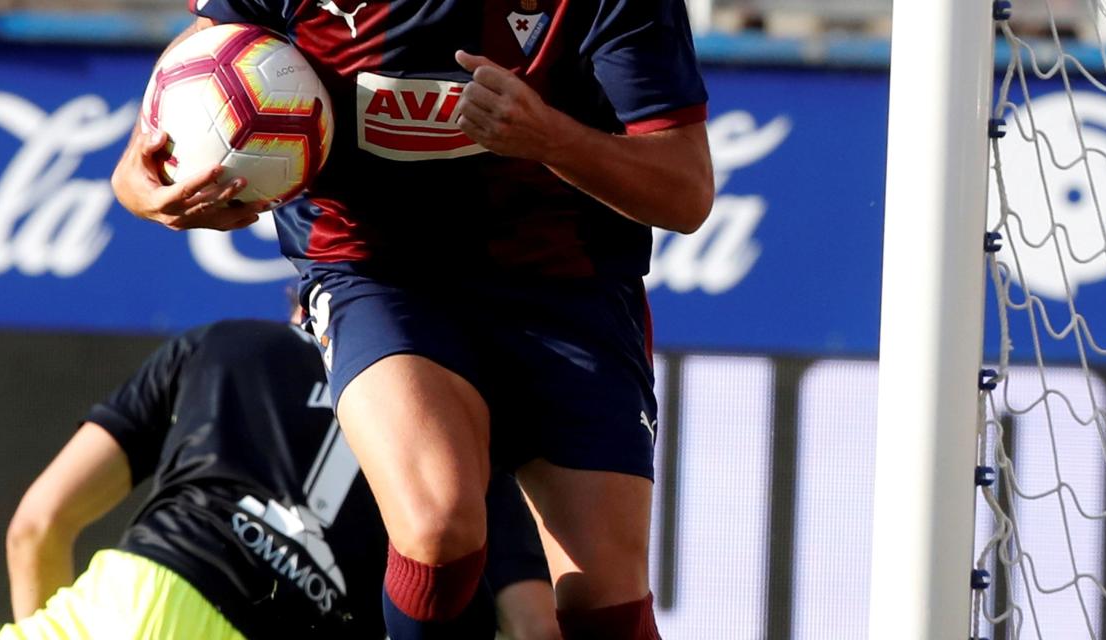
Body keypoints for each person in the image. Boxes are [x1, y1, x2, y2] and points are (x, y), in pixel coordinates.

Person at [111, 0, 713, 636]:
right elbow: (202, 57)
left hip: (568, 287)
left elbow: (685, 189)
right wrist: (136, 176)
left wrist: (550, 138)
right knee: (437, 524)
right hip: (376, 271)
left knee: (606, 606)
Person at [0, 318, 559, 639]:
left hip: (123, 596)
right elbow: (537, 627)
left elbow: (36, 525)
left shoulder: (224, 343)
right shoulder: (470, 462)